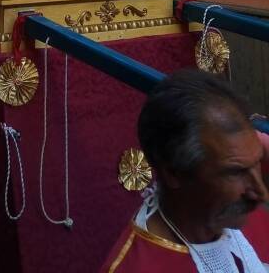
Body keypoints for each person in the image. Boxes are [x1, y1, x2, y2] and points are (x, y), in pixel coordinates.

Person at [100, 69, 269, 272]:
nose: (261, 194)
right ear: (174, 172)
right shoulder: (141, 266)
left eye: (258, 161)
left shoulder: (238, 214)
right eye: (235, 173)